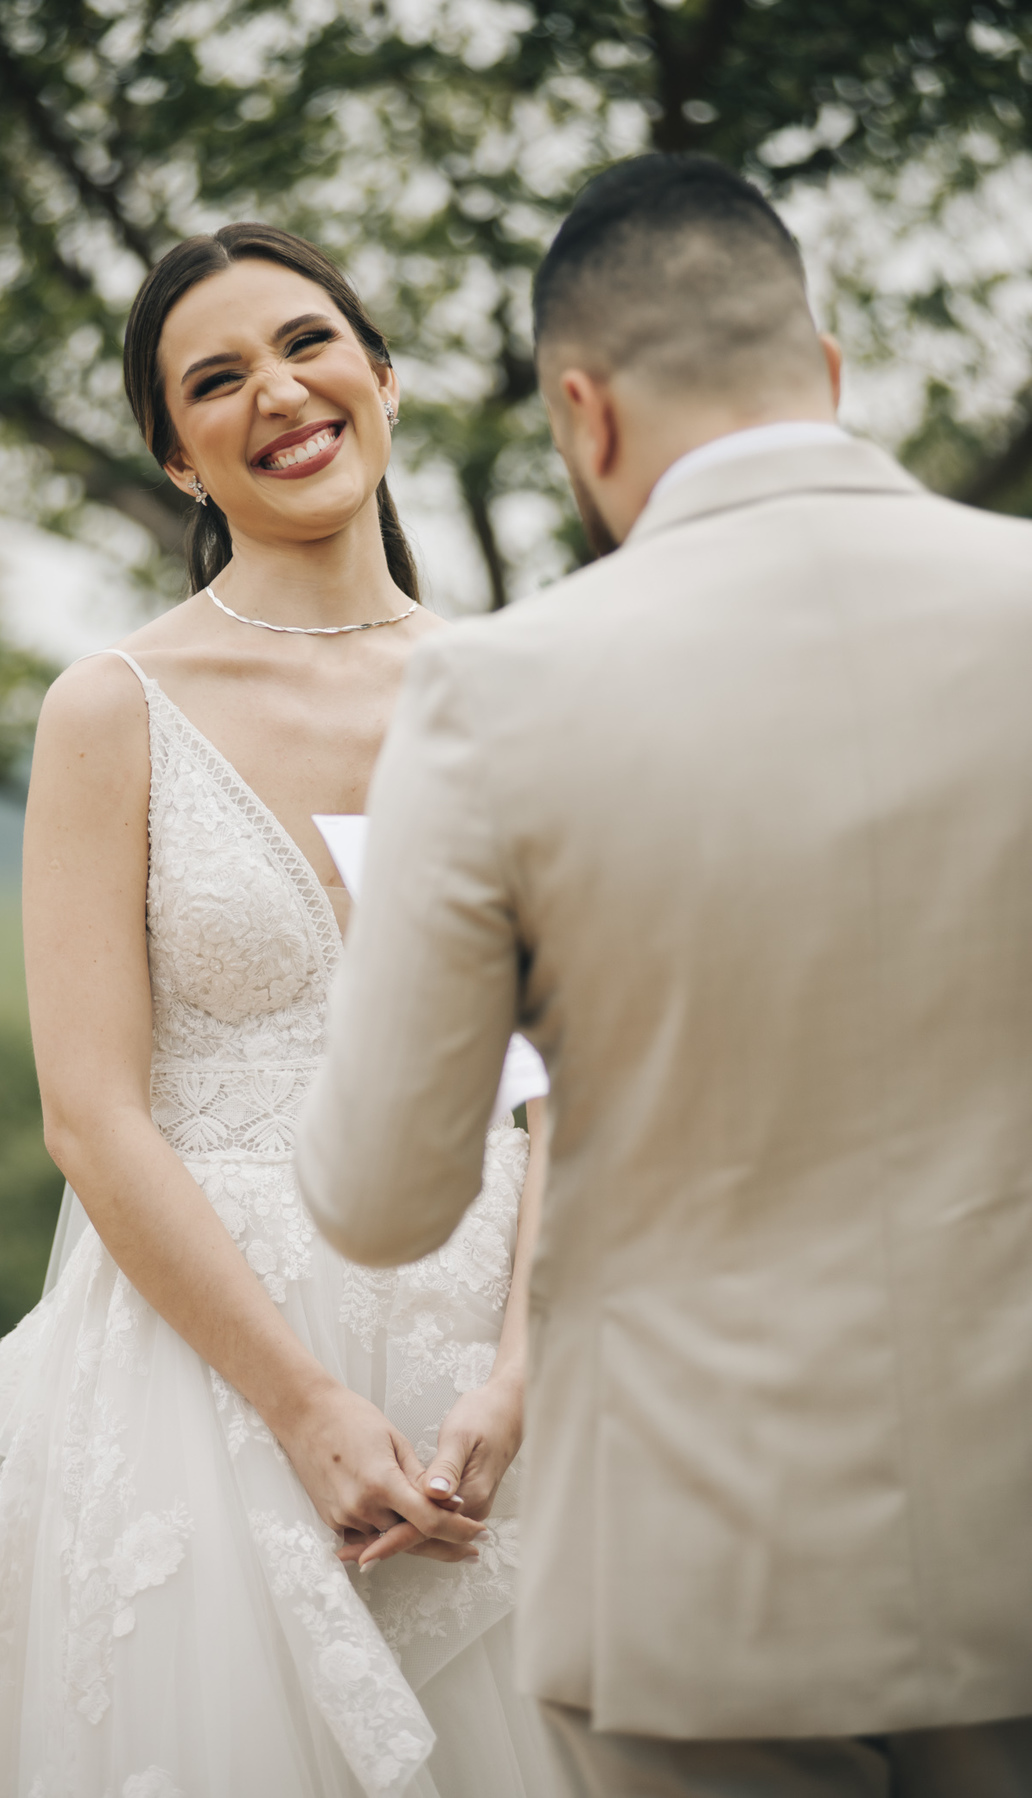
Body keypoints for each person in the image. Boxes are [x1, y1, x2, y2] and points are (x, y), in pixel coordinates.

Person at [295, 153, 1032, 1797]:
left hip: (703, 1576)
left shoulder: (498, 697)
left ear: (584, 414)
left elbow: (383, 1193)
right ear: (828, 375)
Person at [0, 223, 562, 1798]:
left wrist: (525, 1372)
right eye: (218, 376)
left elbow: (568, 1082)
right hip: (211, 1385)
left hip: (500, 1367)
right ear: (178, 458)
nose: (281, 390)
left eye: (311, 343)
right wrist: (306, 1405)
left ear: (382, 380)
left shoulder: (522, 694)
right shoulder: (114, 706)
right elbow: (92, 1113)